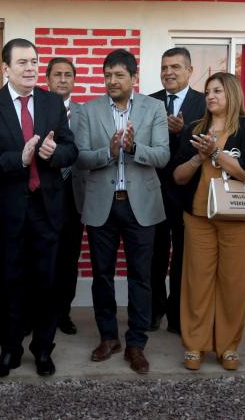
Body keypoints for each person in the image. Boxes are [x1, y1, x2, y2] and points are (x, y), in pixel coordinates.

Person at [0, 38, 77, 377]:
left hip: (47, 208)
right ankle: (10, 350)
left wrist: (53, 154)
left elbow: (70, 149)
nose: (31, 68)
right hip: (9, 210)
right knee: (10, 282)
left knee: (46, 283)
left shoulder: (52, 103)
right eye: (23, 63)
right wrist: (18, 159)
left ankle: (43, 350)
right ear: (6, 68)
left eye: (34, 61)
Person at [74, 49, 169, 374]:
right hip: (103, 205)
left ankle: (136, 342)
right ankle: (108, 336)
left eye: (118, 75)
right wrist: (109, 151)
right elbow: (82, 157)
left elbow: (162, 156)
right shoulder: (88, 111)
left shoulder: (154, 108)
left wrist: (131, 148)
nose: (112, 81)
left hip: (140, 204)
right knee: (102, 275)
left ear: (133, 78)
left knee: (141, 277)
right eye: (108, 75)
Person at [170, 72, 245, 371]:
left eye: (218, 91)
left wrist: (216, 153)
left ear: (233, 94)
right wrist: (199, 158)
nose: (210, 96)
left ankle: (228, 347)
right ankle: (194, 345)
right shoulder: (195, 129)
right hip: (198, 216)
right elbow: (178, 176)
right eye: (208, 91)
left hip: (238, 216)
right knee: (197, 281)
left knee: (233, 283)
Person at [149, 47, 205, 334]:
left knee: (184, 256)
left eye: (175, 67)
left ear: (189, 71)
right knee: (155, 255)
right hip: (154, 192)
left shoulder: (205, 103)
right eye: (164, 67)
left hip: (189, 194)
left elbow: (208, 143)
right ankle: (155, 309)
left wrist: (181, 133)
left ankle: (177, 313)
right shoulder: (149, 102)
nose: (168, 73)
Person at [46, 57, 87, 335]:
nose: (62, 79)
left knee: (68, 258)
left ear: (74, 80)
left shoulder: (85, 113)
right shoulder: (39, 109)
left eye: (68, 75)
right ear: (47, 79)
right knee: (42, 256)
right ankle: (38, 313)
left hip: (76, 194)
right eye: (57, 75)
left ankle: (63, 313)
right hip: (45, 194)